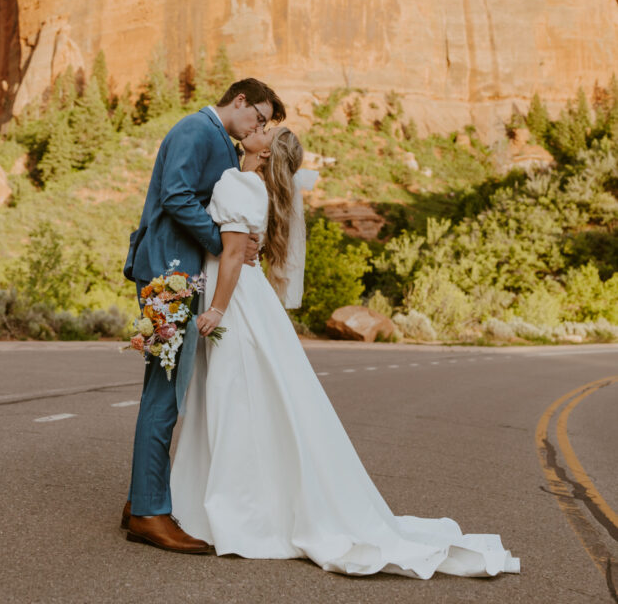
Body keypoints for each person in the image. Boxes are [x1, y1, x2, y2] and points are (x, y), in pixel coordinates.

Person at [169, 125, 521, 579]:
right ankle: (237, 499)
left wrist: (216, 309)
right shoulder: (252, 185)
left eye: (265, 131)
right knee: (247, 401)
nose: (256, 130)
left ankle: (236, 508)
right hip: (247, 299)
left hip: (235, 302)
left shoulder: (239, 184)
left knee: (233, 400)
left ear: (266, 152)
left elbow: (233, 255)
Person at [121, 77, 286, 552]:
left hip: (179, 273)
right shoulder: (197, 130)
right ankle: (149, 514)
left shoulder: (216, 138)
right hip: (168, 274)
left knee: (167, 388)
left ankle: (141, 501)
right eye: (259, 117)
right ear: (240, 101)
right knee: (165, 392)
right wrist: (224, 243)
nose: (259, 126)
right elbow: (175, 195)